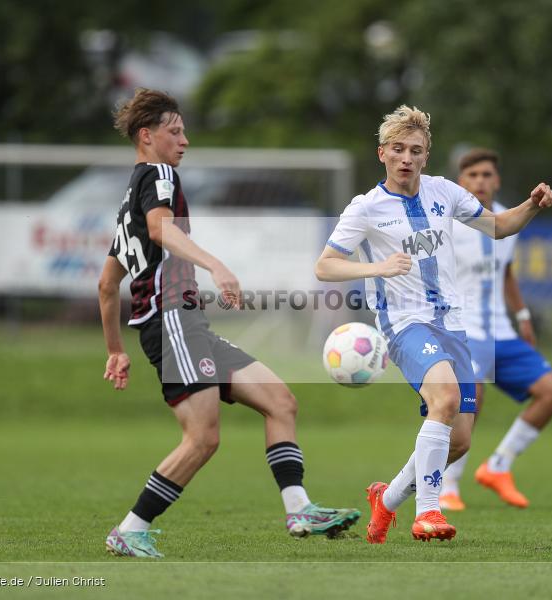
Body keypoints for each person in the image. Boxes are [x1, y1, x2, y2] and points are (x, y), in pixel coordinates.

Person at [99, 88, 360, 558]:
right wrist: (215, 266)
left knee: (281, 401)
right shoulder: (158, 175)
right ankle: (130, 528)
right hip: (172, 320)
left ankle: (299, 509)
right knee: (203, 437)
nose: (184, 140)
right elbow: (161, 230)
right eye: (174, 131)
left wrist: (116, 349)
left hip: (185, 323)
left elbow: (105, 286)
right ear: (147, 136)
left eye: (184, 131)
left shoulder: (127, 203)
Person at [314, 106, 552, 543]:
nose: (407, 158)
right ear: (382, 154)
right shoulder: (366, 208)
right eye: (398, 150)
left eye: (416, 150)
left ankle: (386, 501)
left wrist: (532, 205)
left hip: (453, 325)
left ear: (426, 157)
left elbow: (499, 227)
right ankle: (428, 512)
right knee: (444, 397)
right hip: (405, 324)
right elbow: (326, 267)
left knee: (459, 440)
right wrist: (376, 269)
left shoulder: (445, 192)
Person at [438, 148, 552, 512]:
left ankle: (498, 466)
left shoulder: (510, 218)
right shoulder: (447, 219)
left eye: (486, 175)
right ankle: (448, 486)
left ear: (496, 180)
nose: (479, 181)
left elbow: (505, 270)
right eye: (472, 175)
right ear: (460, 183)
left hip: (501, 331)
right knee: (471, 400)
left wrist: (522, 314)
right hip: (463, 329)